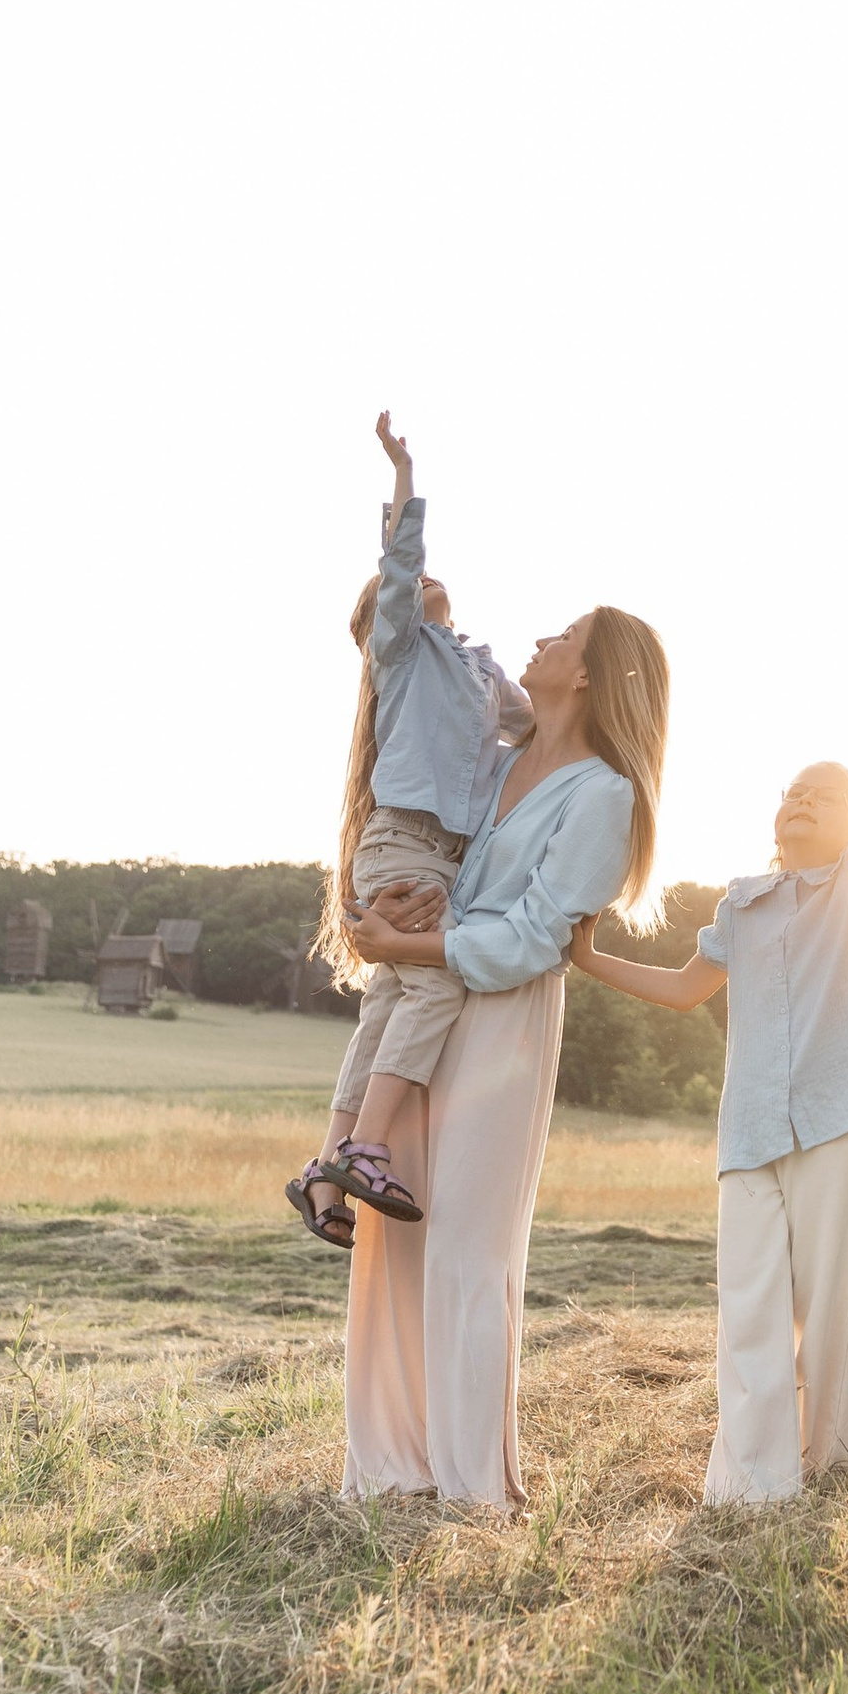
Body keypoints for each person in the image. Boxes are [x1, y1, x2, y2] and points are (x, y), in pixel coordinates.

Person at [569, 644, 848, 1503]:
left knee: (824, 1312)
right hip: (747, 1133)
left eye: (823, 796)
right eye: (792, 792)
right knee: (749, 1309)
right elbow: (683, 990)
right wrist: (590, 959)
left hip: (834, 1121)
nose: (801, 801)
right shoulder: (742, 903)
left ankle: (825, 1465)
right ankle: (753, 1483)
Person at [340, 596, 669, 1510]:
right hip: (429, 1000)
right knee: (397, 1234)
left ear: (591, 674)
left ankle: (472, 1482)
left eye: (564, 637)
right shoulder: (495, 757)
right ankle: (392, 1467)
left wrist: (413, 945)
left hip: (502, 1018)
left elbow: (535, 937)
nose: (541, 639)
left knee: (466, 1246)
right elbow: (423, 840)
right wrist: (384, 913)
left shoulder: (606, 795)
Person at [288, 412, 530, 1247]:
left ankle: (326, 1170)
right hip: (404, 844)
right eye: (398, 586)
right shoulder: (400, 652)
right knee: (436, 986)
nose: (421, 579)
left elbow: (534, 733)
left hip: (434, 855)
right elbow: (399, 561)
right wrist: (403, 475)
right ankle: (367, 1148)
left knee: (390, 999)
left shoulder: (482, 670)